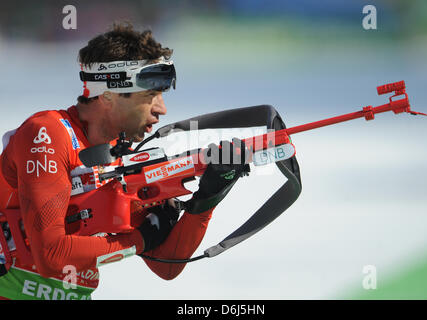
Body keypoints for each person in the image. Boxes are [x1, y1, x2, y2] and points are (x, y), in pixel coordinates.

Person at [0, 22, 249, 300]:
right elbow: (51, 255)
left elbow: (165, 264)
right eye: (150, 95)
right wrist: (140, 239)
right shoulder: (47, 134)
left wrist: (207, 198)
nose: (162, 109)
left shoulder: (119, 158)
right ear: (109, 95)